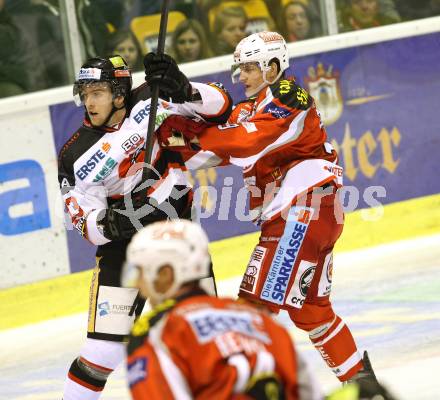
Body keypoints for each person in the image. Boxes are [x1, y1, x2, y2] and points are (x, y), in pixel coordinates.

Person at [155, 31, 381, 387]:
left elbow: (247, 141)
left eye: (248, 67)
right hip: (305, 215)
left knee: (251, 314)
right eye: (239, 69)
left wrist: (194, 137)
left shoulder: (290, 95)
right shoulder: (248, 109)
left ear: (273, 67)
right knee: (312, 312)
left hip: (302, 210)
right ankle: (365, 386)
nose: (241, 76)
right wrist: (165, 123)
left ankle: (258, 393)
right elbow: (214, 148)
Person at [58, 53, 232, 400]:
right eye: (85, 93)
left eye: (97, 92)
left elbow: (223, 106)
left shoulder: (154, 97)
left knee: (203, 338)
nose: (89, 102)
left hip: (178, 240)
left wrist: (183, 86)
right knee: (101, 354)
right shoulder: (75, 154)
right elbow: (86, 222)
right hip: (124, 251)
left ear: (119, 94)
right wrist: (122, 220)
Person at [123, 219, 324, 400]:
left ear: (166, 274)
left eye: (140, 271)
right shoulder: (262, 320)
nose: (139, 284)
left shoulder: (157, 332)